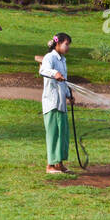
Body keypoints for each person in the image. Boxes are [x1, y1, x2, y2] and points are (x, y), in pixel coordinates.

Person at [39, 32, 73, 175]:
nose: (68, 48)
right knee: (53, 134)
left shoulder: (63, 60)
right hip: (52, 102)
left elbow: (64, 82)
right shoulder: (50, 57)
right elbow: (43, 70)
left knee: (62, 134)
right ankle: (50, 165)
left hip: (61, 104)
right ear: (58, 44)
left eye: (69, 45)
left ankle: (59, 163)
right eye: (66, 44)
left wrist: (69, 95)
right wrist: (55, 74)